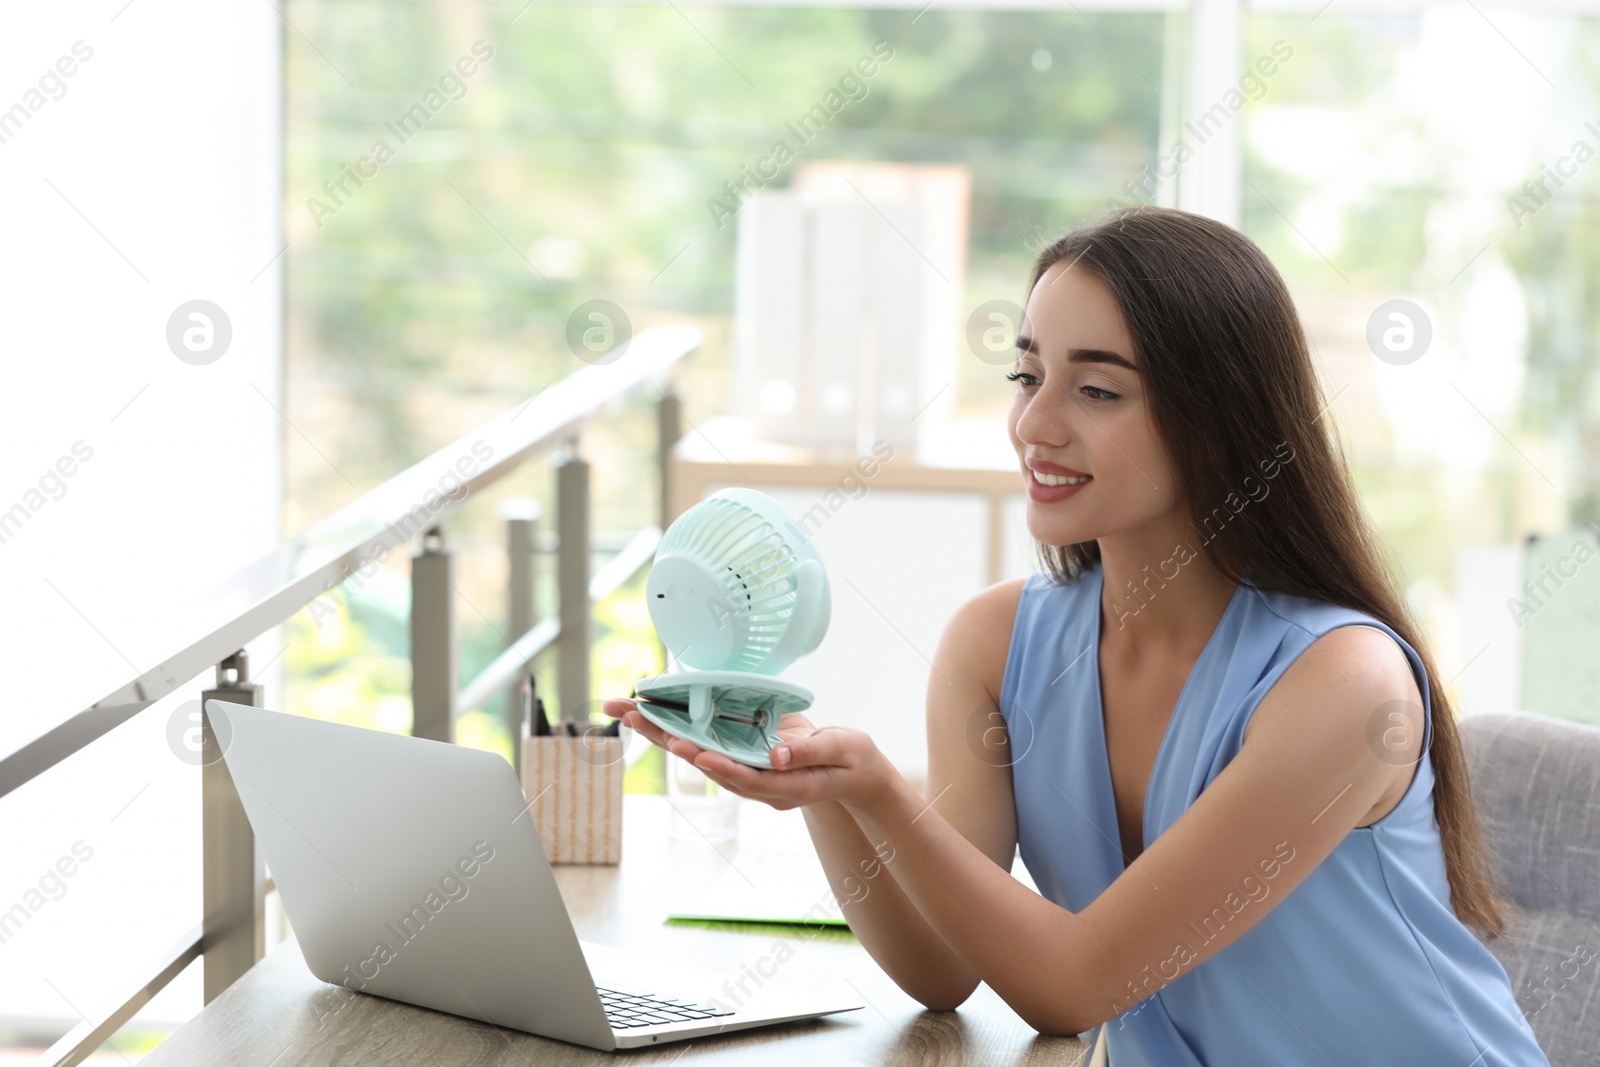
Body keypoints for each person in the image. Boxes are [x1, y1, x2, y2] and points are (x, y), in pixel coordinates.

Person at [605, 205, 1549, 1066]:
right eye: (1028, 375)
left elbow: (1076, 983)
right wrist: (820, 783)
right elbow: (941, 965)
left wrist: (886, 793)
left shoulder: (1344, 684)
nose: (1033, 423)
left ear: (1218, 423)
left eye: (1096, 392)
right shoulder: (994, 645)